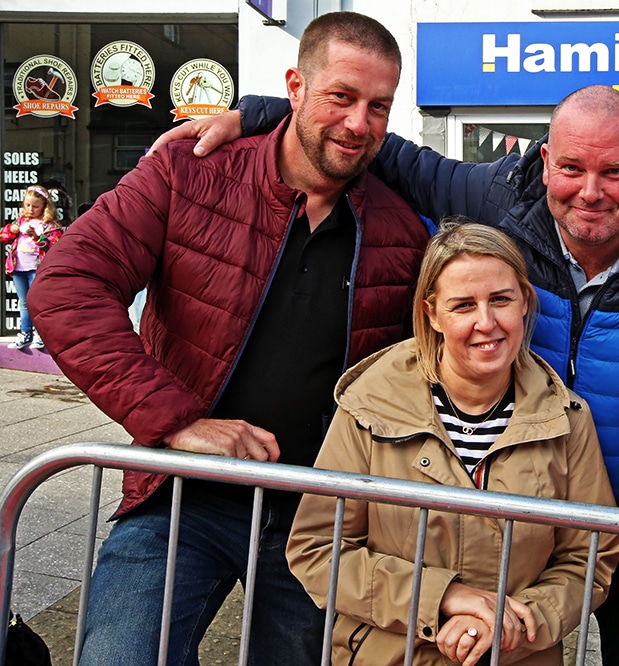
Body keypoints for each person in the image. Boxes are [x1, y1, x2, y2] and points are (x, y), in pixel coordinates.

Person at [153, 83, 619, 664]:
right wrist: (263, 114)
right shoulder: (497, 202)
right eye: (571, 167)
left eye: (613, 172)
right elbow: (386, 152)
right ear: (545, 161)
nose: (589, 192)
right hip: (518, 508)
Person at [27, 12, 428, 665]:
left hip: (318, 517)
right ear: (295, 86)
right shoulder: (190, 171)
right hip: (184, 493)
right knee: (117, 656)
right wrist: (178, 421)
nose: (360, 123)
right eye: (341, 97)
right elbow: (67, 285)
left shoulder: (402, 230)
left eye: (378, 106)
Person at [286, 221, 619, 666]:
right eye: (463, 305)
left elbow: (589, 556)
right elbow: (318, 550)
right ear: (432, 314)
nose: (486, 322)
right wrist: (444, 598)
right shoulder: (370, 406)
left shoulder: (565, 419)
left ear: (525, 301)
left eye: (501, 300)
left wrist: (516, 623)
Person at [2, 185, 62, 350]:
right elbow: (3, 236)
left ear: (44, 206)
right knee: (24, 302)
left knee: (39, 302)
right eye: (27, 205)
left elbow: (55, 243)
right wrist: (11, 229)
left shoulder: (49, 225)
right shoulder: (20, 221)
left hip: (38, 269)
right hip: (19, 268)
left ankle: (41, 334)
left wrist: (36, 237)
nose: (30, 209)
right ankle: (25, 333)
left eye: (35, 206)